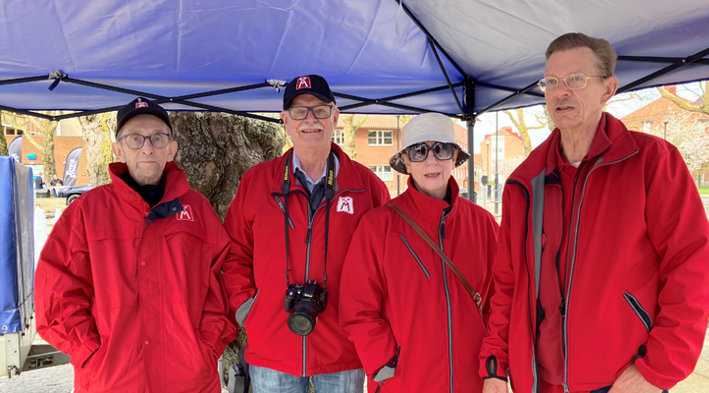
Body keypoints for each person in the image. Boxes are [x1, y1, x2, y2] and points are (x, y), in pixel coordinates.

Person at [480, 32, 709, 393]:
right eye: (552, 82)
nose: (562, 92)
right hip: (540, 382)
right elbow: (507, 284)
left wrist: (659, 368)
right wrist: (496, 365)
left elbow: (691, 266)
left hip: (622, 380)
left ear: (608, 89)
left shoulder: (651, 162)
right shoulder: (525, 182)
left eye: (576, 79)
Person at [35, 97, 238, 393]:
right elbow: (55, 291)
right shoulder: (87, 212)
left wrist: (207, 346)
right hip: (112, 380)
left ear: (172, 149)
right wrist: (90, 352)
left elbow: (225, 282)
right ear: (118, 149)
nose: (147, 148)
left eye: (157, 138)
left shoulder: (198, 210)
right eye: (135, 138)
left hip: (189, 379)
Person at [222, 74, 390, 393]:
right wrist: (248, 308)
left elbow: (387, 266)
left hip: (344, 349)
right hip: (272, 346)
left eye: (320, 110)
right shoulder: (257, 183)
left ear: (336, 116)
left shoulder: (367, 187)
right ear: (285, 120)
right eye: (299, 111)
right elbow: (234, 253)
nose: (310, 120)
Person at [339, 113, 500, 392]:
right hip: (404, 381)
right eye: (419, 150)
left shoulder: (483, 223)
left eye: (442, 148)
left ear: (455, 157)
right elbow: (357, 307)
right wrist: (384, 362)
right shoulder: (379, 226)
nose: (431, 160)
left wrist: (494, 367)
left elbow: (501, 302)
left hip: (472, 380)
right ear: (406, 162)